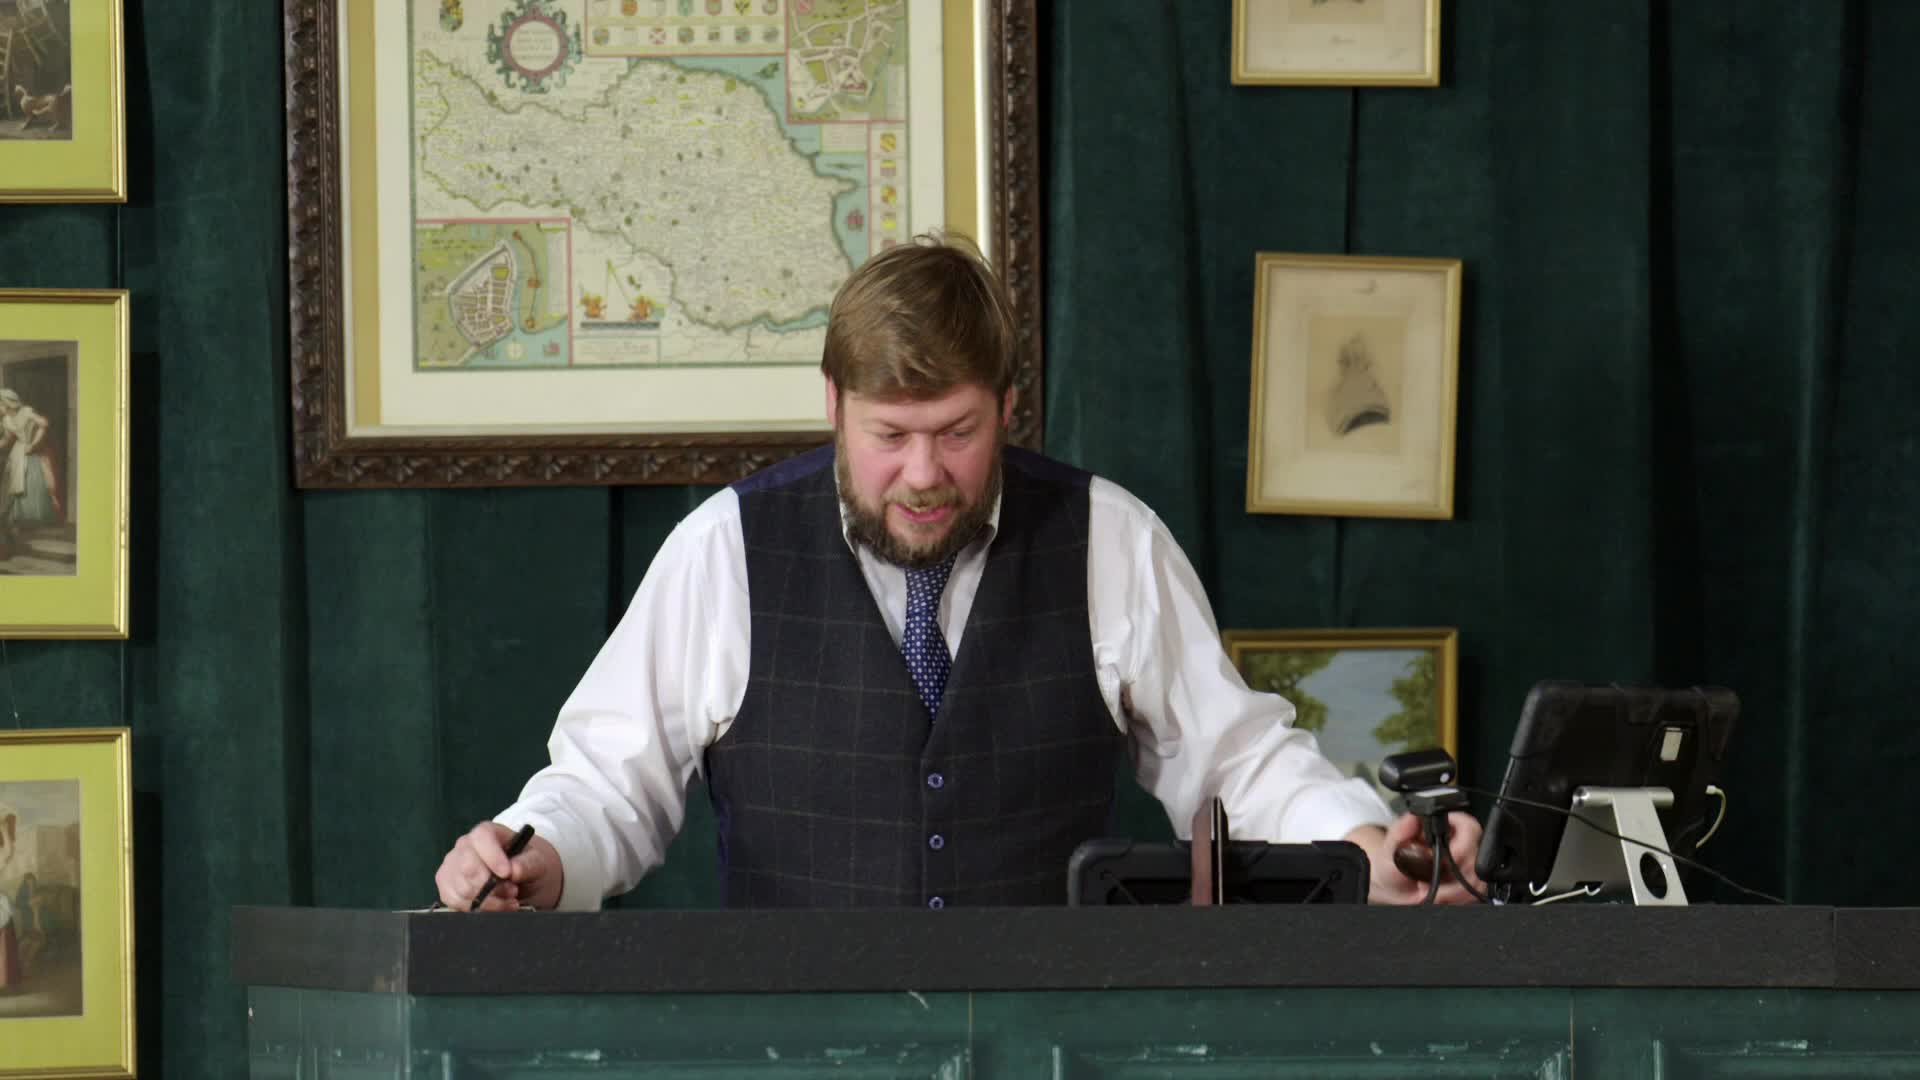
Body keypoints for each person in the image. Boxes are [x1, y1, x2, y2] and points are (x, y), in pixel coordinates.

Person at [434, 232, 1484, 912]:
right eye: (891, 435)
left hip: (1048, 1049)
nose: (925, 475)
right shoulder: (724, 552)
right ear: (833, 406)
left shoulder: (1109, 539)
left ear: (1009, 407)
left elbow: (1238, 765)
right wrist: (537, 861)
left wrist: (1367, 848)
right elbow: (607, 784)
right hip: (793, 1051)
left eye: (959, 432)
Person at [0, 388, 63, 558]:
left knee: (31, 488)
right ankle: (14, 539)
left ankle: (21, 535)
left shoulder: (26, 412)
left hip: (31, 454)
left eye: (0, 404)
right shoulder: (6, 420)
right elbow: (6, 440)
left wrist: (34, 443)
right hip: (17, 454)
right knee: (11, 494)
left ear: (7, 403)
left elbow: (44, 423)